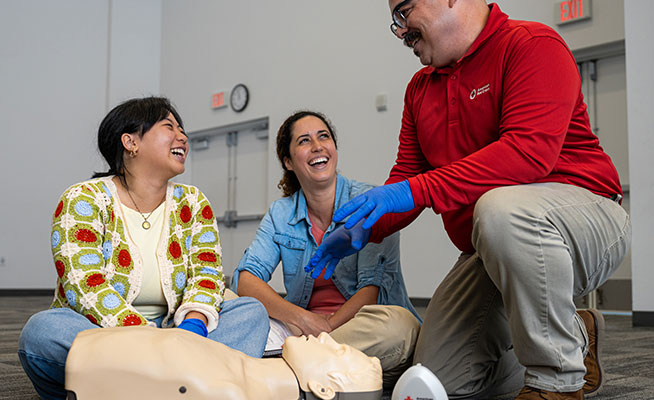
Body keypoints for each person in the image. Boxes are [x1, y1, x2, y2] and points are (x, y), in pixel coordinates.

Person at [306, 1, 632, 399]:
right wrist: (362, 227)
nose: (399, 30)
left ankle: (557, 382)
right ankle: (572, 335)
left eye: (404, 10)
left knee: (499, 209)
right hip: (491, 245)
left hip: (585, 219)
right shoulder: (420, 90)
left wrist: (411, 190)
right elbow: (407, 178)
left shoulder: (531, 45)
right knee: (438, 379)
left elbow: (527, 153)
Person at [18, 97, 270, 400]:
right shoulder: (83, 198)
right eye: (169, 127)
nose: (182, 137)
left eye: (182, 129)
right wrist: (157, 344)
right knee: (43, 332)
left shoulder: (193, 201)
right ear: (130, 142)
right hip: (106, 335)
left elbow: (207, 274)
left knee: (250, 312)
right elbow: (83, 286)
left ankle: (131, 387)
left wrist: (192, 327)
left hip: (176, 330)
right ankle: (184, 384)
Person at [232, 110, 421, 386]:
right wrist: (303, 319)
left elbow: (372, 289)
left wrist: (326, 330)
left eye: (324, 137)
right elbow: (246, 279)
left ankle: (291, 368)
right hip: (303, 332)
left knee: (399, 326)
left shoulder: (369, 200)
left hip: (363, 330)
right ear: (288, 161)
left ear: (334, 148)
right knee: (231, 307)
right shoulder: (281, 213)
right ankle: (314, 369)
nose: (317, 146)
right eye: (304, 141)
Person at [65, 328, 382, 400]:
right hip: (93, 343)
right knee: (250, 308)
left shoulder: (225, 392)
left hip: (85, 362)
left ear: (322, 389)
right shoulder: (236, 367)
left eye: (337, 351)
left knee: (44, 335)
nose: (326, 335)